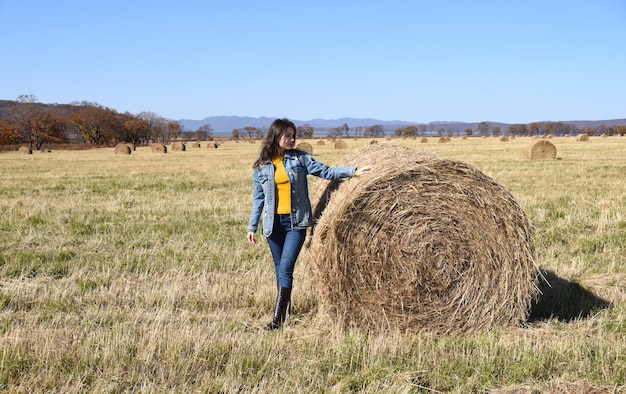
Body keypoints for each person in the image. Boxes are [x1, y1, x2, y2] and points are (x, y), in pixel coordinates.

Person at [247, 118, 372, 330]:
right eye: (288, 135)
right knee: (280, 270)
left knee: (286, 267)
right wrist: (251, 227)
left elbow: (327, 172)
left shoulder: (300, 159)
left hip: (295, 223)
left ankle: (277, 321)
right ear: (276, 137)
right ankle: (284, 311)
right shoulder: (262, 167)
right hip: (272, 226)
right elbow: (258, 199)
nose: (292, 139)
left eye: (293, 135)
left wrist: (354, 171)